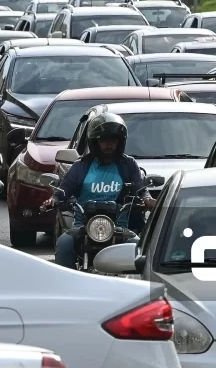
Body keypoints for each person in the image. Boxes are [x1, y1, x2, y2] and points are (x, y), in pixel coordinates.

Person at [43, 112, 155, 268]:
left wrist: (147, 199)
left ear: (119, 142)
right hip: (83, 226)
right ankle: (65, 287)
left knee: (140, 248)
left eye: (113, 141)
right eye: (104, 141)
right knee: (64, 244)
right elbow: (63, 191)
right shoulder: (81, 165)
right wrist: (53, 200)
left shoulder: (129, 164)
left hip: (120, 226)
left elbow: (140, 189)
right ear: (95, 142)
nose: (109, 145)